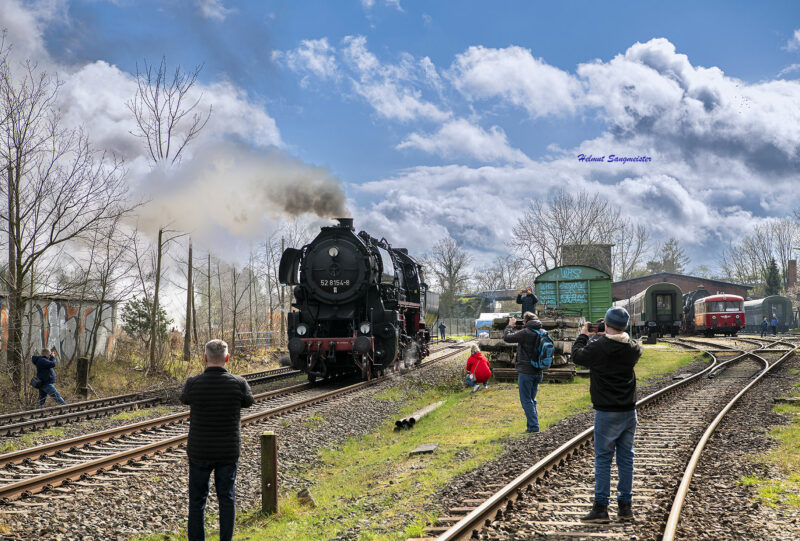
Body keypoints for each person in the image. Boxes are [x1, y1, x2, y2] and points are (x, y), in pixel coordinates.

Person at [572, 306, 642, 523]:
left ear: (606, 325)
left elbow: (577, 356)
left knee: (603, 460)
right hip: (629, 412)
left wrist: (584, 335)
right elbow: (619, 342)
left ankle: (601, 508)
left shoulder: (598, 347)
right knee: (626, 459)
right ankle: (625, 507)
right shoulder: (634, 348)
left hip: (606, 412)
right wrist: (608, 334)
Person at [181, 339, 255, 541]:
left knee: (197, 501)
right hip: (227, 453)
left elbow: (184, 398)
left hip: (199, 452)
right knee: (227, 498)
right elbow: (249, 401)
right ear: (227, 358)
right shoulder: (239, 384)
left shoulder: (193, 383)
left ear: (205, 358)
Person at [503, 311, 544, 433]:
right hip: (538, 370)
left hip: (526, 371)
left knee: (526, 400)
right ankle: (532, 425)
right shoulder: (541, 331)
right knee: (532, 399)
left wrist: (510, 325)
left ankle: (533, 427)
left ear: (525, 321)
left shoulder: (526, 332)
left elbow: (507, 338)